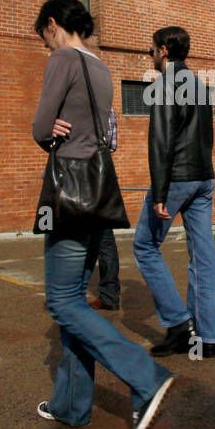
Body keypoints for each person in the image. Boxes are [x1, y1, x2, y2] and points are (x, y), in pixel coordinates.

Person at [32, 0, 174, 429]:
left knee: (62, 301)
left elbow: (40, 127)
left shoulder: (62, 59)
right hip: (99, 190)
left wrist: (47, 128)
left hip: (68, 191)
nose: (46, 43)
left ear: (53, 24)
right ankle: (71, 406)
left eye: (45, 35)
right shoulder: (99, 66)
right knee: (75, 298)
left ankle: (144, 374)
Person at [132, 26, 215, 359]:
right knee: (203, 258)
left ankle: (180, 325)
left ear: (164, 51)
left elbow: (160, 143)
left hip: (177, 180)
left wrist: (159, 194)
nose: (150, 55)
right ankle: (205, 339)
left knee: (145, 246)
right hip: (204, 179)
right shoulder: (199, 85)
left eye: (152, 50)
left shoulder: (166, 85)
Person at [87, 108, 121, 311]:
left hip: (85, 175)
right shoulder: (109, 111)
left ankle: (68, 296)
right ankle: (109, 295)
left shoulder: (79, 108)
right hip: (105, 172)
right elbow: (112, 146)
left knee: (76, 235)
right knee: (104, 239)